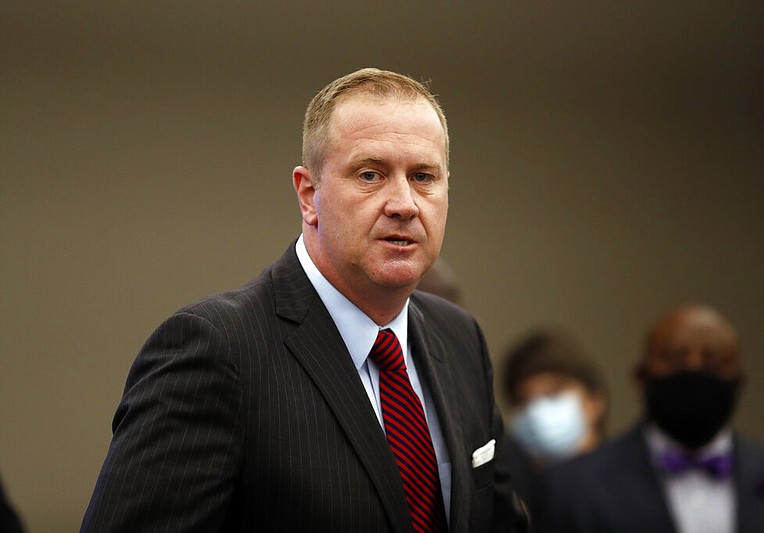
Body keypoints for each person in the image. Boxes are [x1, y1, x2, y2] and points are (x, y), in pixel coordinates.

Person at [81, 68, 527, 533]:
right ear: (309, 195)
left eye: (423, 176)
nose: (404, 203)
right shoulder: (218, 349)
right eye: (370, 174)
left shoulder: (460, 340)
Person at [529, 303, 764, 533]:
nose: (694, 371)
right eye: (674, 361)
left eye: (713, 363)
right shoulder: (571, 490)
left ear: (738, 382)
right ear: (640, 378)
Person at [500, 329, 607, 514]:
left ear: (594, 400)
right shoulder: (512, 507)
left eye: (552, 394)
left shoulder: (635, 488)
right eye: (522, 401)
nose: (537, 413)